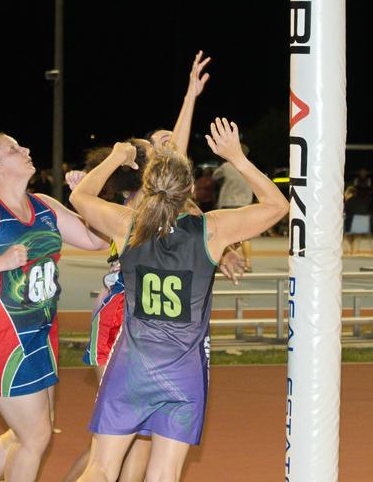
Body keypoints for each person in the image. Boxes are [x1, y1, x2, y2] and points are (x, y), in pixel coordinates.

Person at [69, 119, 287, 482]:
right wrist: (237, 158)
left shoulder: (128, 224)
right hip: (182, 375)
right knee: (165, 474)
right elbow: (277, 206)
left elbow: (79, 197)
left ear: (147, 184)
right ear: (190, 189)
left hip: (131, 366)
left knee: (102, 468)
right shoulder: (211, 231)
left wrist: (115, 157)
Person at [0, 133, 109, 482]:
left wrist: (89, 199)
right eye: (14, 149)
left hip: (40, 334)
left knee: (26, 433)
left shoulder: (44, 205)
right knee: (35, 437)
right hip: (2, 336)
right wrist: (0, 262)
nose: (27, 149)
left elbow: (96, 240)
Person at [213, 142, 255, 270]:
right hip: (245, 204)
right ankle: (247, 263)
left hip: (228, 203)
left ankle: (225, 261)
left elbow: (215, 176)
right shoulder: (250, 166)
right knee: (246, 235)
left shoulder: (226, 166)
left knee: (224, 234)